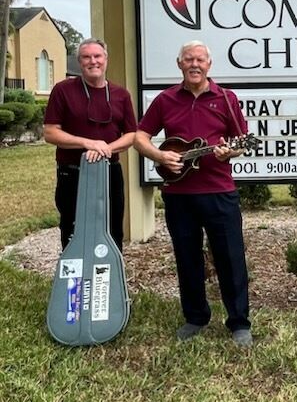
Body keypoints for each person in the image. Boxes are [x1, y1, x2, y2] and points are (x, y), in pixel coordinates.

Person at [134, 40, 252, 347]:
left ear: (209, 65)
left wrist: (229, 153)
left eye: (200, 59)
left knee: (231, 258)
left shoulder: (226, 98)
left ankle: (239, 322)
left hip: (219, 191)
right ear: (179, 64)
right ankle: (195, 317)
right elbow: (140, 136)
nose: (194, 64)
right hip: (178, 193)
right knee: (187, 258)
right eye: (188, 59)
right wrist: (159, 157)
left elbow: (241, 141)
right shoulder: (165, 99)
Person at [43, 38, 137, 251]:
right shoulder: (63, 90)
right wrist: (87, 143)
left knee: (112, 229)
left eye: (97, 56)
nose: (93, 61)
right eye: (86, 57)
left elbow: (131, 134)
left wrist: (106, 149)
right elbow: (50, 132)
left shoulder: (121, 95)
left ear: (106, 60)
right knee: (72, 229)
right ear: (79, 62)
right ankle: (74, 283)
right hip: (73, 173)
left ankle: (110, 280)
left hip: (109, 172)